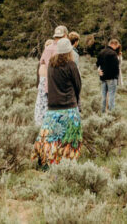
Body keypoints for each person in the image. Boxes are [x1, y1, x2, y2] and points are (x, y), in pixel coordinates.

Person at [34, 38, 82, 168]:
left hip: (52, 108)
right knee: (70, 139)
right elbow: (78, 85)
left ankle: (48, 163)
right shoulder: (71, 65)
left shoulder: (51, 65)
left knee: (52, 138)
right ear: (69, 52)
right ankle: (67, 164)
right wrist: (76, 100)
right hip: (69, 107)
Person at [34, 38, 56, 126]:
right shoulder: (43, 63)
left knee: (42, 106)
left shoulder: (45, 62)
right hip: (45, 88)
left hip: (46, 88)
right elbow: (38, 77)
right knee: (42, 105)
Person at [96, 38, 121, 114]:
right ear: (114, 44)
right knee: (111, 96)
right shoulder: (113, 54)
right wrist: (116, 77)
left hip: (103, 77)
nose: (117, 48)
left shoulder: (101, 52)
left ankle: (103, 111)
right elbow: (116, 66)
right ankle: (111, 112)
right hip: (111, 77)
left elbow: (97, 64)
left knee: (103, 96)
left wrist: (99, 71)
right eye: (116, 46)